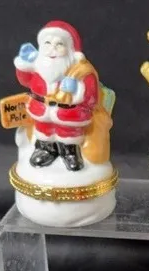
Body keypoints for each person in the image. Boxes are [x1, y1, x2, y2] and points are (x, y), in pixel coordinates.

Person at [13, 21, 99, 171]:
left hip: (67, 111)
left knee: (68, 133)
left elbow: (91, 96)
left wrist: (78, 90)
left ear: (70, 49)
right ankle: (46, 149)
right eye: (47, 43)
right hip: (42, 107)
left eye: (59, 44)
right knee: (43, 130)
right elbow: (25, 81)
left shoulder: (81, 71)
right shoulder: (37, 66)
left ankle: (69, 152)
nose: (52, 49)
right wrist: (22, 66)